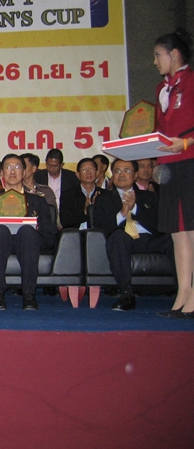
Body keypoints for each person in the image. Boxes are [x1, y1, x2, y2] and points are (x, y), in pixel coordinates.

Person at [0, 154, 57, 311]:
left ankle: (29, 294)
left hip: (27, 242)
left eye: (17, 167)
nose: (12, 171)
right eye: (8, 167)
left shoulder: (38, 200)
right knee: (0, 231)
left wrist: (34, 226)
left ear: (24, 173)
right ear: (2, 173)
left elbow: (49, 232)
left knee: (27, 231)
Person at [92, 159, 173, 311]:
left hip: (150, 240)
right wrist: (123, 213)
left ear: (135, 175)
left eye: (126, 171)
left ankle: (186, 291)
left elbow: (160, 225)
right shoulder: (103, 198)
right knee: (118, 236)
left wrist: (135, 208)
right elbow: (100, 227)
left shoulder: (150, 196)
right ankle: (126, 294)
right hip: (125, 241)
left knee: (176, 239)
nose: (121, 174)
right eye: (117, 171)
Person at [152, 30, 194, 318]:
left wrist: (187, 143)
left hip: (190, 161)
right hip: (169, 166)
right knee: (178, 233)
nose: (155, 61)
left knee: (192, 229)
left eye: (158, 55)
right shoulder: (162, 89)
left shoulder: (191, 82)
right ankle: (182, 294)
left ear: (174, 54)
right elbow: (160, 131)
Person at [59, 158, 104, 230]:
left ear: (96, 173)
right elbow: (65, 221)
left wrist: (92, 211)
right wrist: (84, 212)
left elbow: (108, 221)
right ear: (78, 175)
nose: (88, 172)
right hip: (76, 234)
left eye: (91, 169)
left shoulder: (105, 195)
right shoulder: (68, 195)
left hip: (99, 234)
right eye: (84, 169)